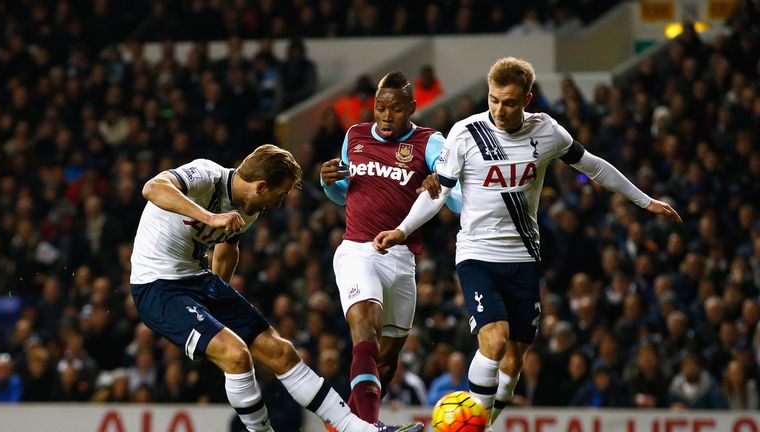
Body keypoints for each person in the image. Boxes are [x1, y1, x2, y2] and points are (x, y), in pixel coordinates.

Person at [374, 57, 682, 429]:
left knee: (515, 357)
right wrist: (402, 230)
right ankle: (475, 425)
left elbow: (594, 166)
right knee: (495, 339)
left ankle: (482, 420)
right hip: (476, 255)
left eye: (509, 102)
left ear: (527, 99)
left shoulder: (547, 131)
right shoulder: (465, 134)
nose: (499, 110)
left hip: (523, 257)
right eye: (493, 100)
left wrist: (644, 201)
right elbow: (439, 192)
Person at [130, 144, 423, 432]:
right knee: (236, 355)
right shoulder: (206, 175)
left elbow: (227, 250)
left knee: (282, 352)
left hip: (199, 281)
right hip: (157, 285)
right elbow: (152, 188)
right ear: (260, 187)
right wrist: (209, 217)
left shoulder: (247, 212)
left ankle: (359, 430)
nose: (279, 203)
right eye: (279, 194)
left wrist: (215, 305)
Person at [320, 71, 461, 425]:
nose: (385, 115)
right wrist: (328, 184)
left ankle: (349, 423)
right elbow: (344, 194)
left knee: (386, 360)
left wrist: (439, 190)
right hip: (357, 249)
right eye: (379, 107)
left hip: (401, 259)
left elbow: (458, 200)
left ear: (412, 108)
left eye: (395, 109)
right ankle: (370, 427)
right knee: (365, 327)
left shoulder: (430, 143)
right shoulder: (355, 135)